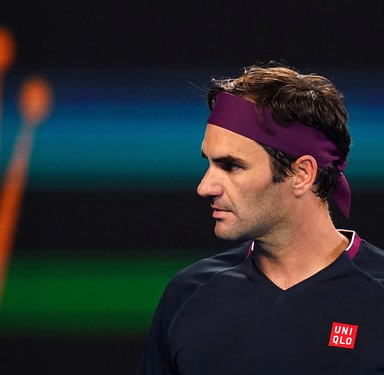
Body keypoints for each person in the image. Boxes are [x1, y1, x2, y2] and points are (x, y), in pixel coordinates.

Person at [137, 64, 384, 374]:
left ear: (302, 174)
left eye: (231, 166)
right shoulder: (186, 294)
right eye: (210, 164)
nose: (204, 187)